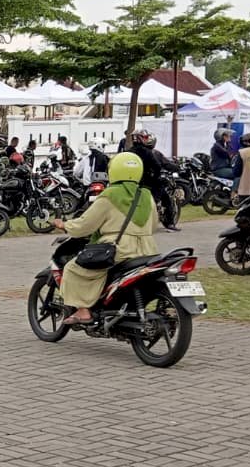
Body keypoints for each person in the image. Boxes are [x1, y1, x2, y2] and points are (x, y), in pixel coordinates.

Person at [53, 152, 157, 326]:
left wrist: (65, 225)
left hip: (119, 250)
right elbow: (153, 225)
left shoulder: (110, 195)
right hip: (147, 250)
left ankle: (83, 311)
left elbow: (86, 224)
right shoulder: (146, 195)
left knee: (73, 268)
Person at [130, 129, 179, 231]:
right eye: (145, 137)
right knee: (166, 199)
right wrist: (156, 175)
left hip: (133, 182)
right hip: (148, 182)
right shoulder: (149, 153)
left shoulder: (128, 151)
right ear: (141, 138)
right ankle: (170, 223)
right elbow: (157, 166)